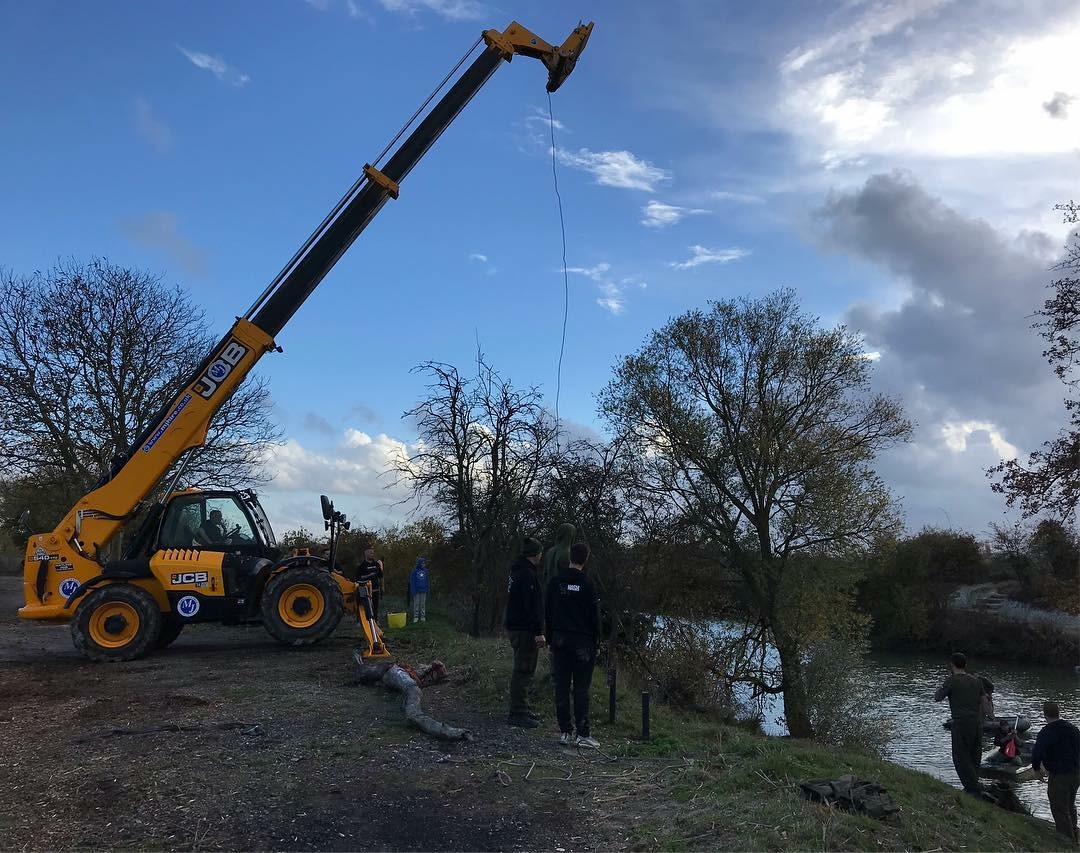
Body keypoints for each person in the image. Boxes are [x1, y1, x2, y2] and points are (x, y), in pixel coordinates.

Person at [546, 541, 601, 748]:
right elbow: (594, 617)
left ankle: (565, 732)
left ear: (570, 557)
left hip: (559, 640)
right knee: (581, 687)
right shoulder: (587, 584)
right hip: (582, 642)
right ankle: (583, 734)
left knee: (561, 686)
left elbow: (548, 611)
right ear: (585, 559)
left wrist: (550, 637)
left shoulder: (555, 582)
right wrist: (597, 640)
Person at [505, 537, 545, 728]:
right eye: (540, 553)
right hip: (524, 630)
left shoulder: (516, 571)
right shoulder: (527, 575)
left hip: (515, 626)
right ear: (535, 554)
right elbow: (531, 607)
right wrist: (538, 631)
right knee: (524, 669)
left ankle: (523, 707)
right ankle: (518, 712)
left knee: (523, 668)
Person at [933, 652, 987, 794]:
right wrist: (989, 717)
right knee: (975, 755)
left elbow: (937, 697)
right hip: (976, 723)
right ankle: (974, 784)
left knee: (960, 756)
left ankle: (973, 789)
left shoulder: (952, 680)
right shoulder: (976, 680)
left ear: (952, 665)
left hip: (961, 723)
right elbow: (984, 701)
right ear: (966, 665)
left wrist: (942, 687)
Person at [1032, 700, 1080, 842]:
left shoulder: (1047, 731)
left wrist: (1037, 770)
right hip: (1076, 772)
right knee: (1070, 805)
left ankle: (1066, 841)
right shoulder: (1072, 728)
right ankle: (1075, 835)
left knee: (1059, 807)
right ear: (1058, 712)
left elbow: (1037, 753)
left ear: (1045, 714)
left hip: (1060, 774)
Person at [357, 547, 384, 622]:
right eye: (370, 553)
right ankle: (367, 621)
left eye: (373, 553)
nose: (372, 554)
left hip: (375, 589)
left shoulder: (376, 564)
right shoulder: (362, 566)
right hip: (365, 590)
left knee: (375, 606)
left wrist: (382, 587)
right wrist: (368, 576)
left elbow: (381, 576)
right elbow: (359, 578)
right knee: (366, 606)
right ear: (365, 553)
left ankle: (376, 621)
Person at [409, 557, 430, 623]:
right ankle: (416, 617)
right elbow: (412, 581)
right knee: (416, 604)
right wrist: (413, 590)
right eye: (423, 563)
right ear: (419, 563)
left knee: (422, 604)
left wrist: (427, 588)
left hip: (423, 590)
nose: (424, 564)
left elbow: (427, 580)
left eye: (424, 563)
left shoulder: (426, 571)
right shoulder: (414, 571)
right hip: (416, 590)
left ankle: (422, 617)